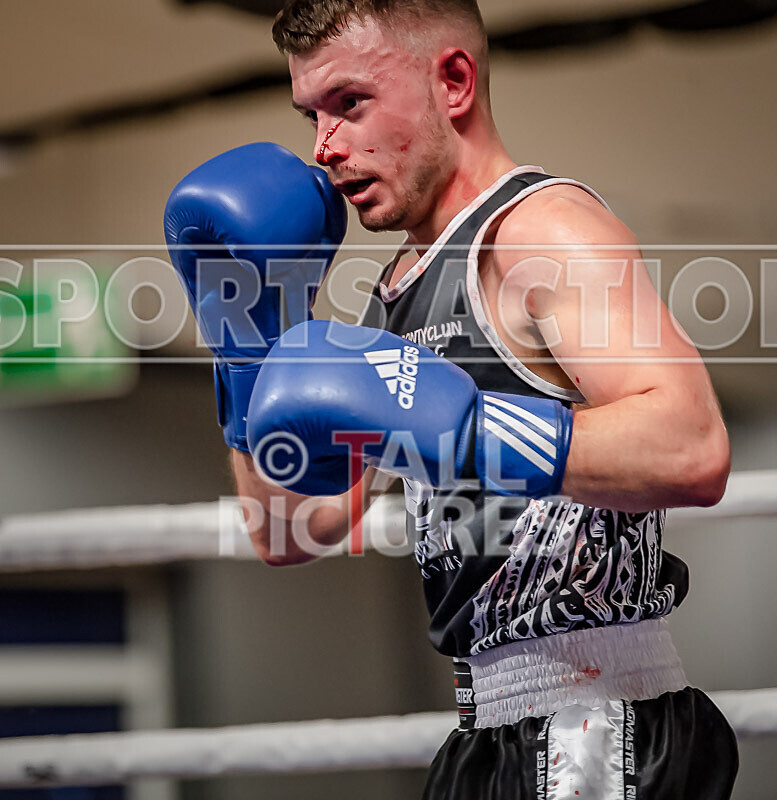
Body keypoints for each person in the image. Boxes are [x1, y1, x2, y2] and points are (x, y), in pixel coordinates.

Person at [165, 0, 738, 796]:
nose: (325, 148)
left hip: (596, 719)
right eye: (310, 115)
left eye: (350, 103)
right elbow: (295, 527)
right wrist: (242, 337)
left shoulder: (542, 230)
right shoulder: (399, 288)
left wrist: (469, 429)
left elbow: (692, 447)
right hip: (487, 731)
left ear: (455, 82)